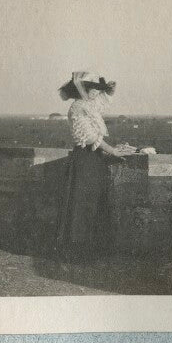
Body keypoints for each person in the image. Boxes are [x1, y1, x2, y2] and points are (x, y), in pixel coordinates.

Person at [55, 71, 125, 263]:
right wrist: (113, 150)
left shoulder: (87, 105)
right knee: (82, 204)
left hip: (93, 160)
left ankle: (91, 251)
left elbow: (101, 102)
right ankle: (78, 252)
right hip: (85, 159)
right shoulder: (77, 108)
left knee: (94, 201)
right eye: (93, 88)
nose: (96, 92)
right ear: (83, 89)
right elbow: (89, 137)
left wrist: (109, 90)